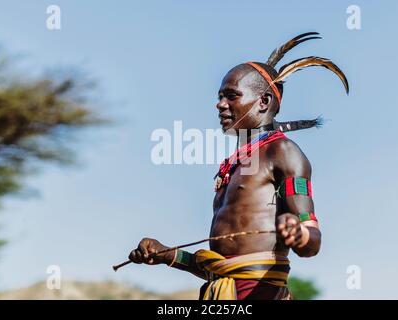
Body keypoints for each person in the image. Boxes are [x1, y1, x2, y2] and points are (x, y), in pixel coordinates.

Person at [128, 32, 349, 300]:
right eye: (220, 96)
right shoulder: (234, 164)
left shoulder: (284, 152)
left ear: (263, 102)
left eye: (231, 96)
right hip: (221, 294)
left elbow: (312, 239)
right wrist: (169, 255)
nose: (220, 104)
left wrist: (299, 234)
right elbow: (220, 266)